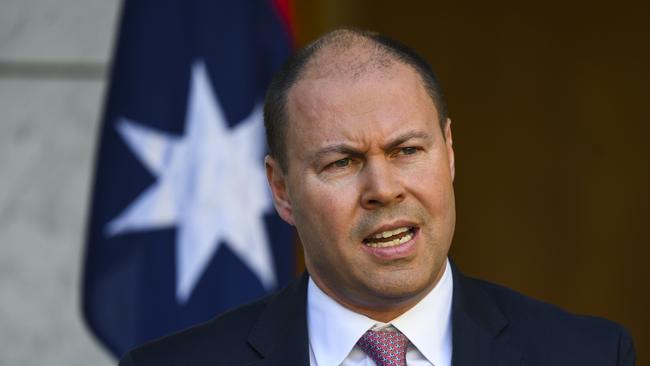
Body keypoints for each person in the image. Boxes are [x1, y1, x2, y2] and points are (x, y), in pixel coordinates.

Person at [118, 29, 636, 366]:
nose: (383, 189)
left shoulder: (588, 355)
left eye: (407, 150)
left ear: (449, 153)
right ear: (281, 190)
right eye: (341, 162)